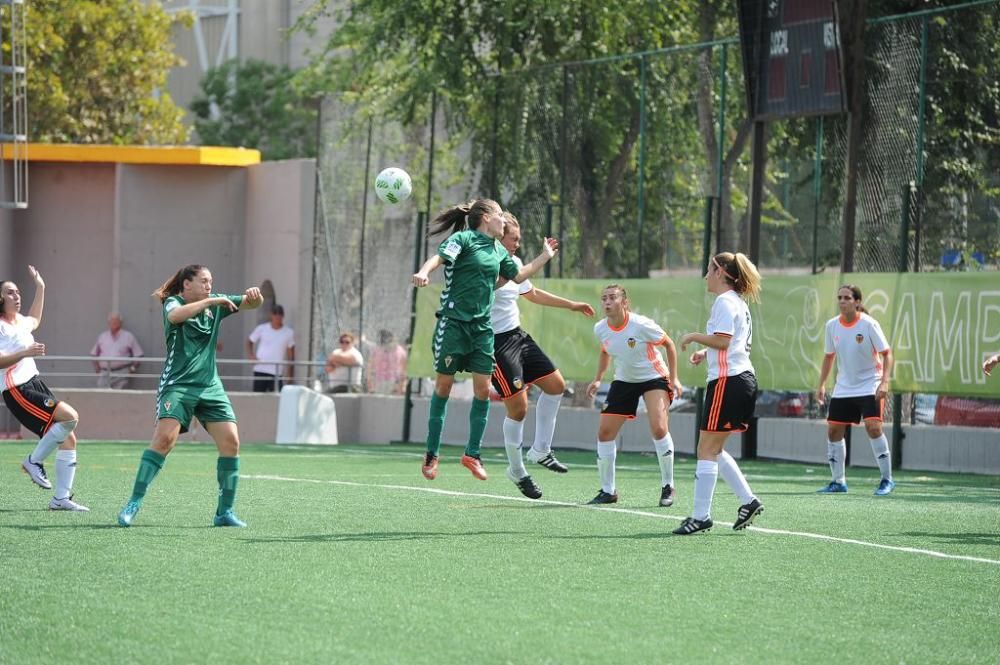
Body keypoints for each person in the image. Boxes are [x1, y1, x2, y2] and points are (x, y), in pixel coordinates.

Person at [412, 198, 557, 481]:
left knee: (482, 389)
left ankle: (472, 453)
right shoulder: (464, 238)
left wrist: (545, 256)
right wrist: (424, 272)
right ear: (487, 218)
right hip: (454, 325)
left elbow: (519, 276)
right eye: (500, 215)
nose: (504, 220)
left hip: (481, 329)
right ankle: (431, 453)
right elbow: (438, 258)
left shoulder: (497, 251)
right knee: (444, 385)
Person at [117, 264, 263, 527]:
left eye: (211, 282)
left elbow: (252, 304)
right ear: (187, 284)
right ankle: (133, 503)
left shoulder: (215, 303)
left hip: (210, 385)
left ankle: (224, 513)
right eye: (204, 281)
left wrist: (256, 297)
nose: (209, 286)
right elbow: (175, 317)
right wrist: (213, 300)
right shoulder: (174, 302)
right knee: (164, 441)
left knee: (231, 442)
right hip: (179, 384)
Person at [494, 212, 594, 499]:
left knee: (556, 386)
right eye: (514, 239)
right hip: (494, 344)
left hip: (517, 336)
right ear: (499, 236)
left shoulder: (512, 262)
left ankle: (540, 450)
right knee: (519, 409)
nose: (517, 244)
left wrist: (572, 305)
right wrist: (544, 256)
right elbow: (513, 277)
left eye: (519, 240)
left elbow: (531, 292)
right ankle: (516, 469)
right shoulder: (487, 263)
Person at [673, 252, 764, 535]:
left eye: (709, 270)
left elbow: (723, 342)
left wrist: (693, 337)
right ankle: (748, 501)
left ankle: (701, 516)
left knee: (706, 450)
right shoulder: (736, 302)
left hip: (729, 381)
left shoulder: (725, 302)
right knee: (714, 449)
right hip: (740, 379)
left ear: (721, 272)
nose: (705, 276)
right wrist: (705, 351)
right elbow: (730, 342)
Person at [584, 284, 682, 506]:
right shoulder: (601, 328)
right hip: (624, 380)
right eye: (604, 299)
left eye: (612, 298)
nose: (607, 302)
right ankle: (608, 491)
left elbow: (669, 344)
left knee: (658, 428)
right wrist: (598, 378)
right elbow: (604, 351)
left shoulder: (641, 325)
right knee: (604, 433)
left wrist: (674, 378)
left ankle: (668, 486)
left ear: (624, 303)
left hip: (654, 377)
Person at [0, 266, 88, 511]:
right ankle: (33, 461)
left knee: (69, 438)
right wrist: (24, 353)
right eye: (10, 292)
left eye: (18, 292)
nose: (16, 295)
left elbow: (36, 319)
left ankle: (60, 499)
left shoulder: (20, 322)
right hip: (17, 390)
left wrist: (41, 287)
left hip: (35, 383)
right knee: (70, 417)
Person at [815, 284, 896, 496]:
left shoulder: (869, 324)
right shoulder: (832, 326)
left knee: (873, 427)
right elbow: (829, 357)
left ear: (857, 302)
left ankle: (887, 480)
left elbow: (887, 354)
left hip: (870, 383)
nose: (842, 301)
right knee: (833, 431)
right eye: (840, 297)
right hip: (844, 387)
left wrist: (884, 382)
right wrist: (822, 384)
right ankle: (838, 481)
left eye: (847, 298)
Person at [246, 304, 295, 392]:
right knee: (257, 399)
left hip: (276, 372)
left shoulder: (288, 333)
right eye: (275, 313)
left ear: (283, 316)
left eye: (280, 313)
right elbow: (250, 341)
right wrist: (251, 355)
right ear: (271, 315)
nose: (277, 315)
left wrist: (290, 375)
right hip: (260, 369)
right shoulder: (261, 328)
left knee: (277, 400)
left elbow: (291, 356)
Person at [91, 312, 145, 389]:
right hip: (105, 373)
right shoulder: (103, 336)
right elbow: (94, 353)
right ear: (108, 323)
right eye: (112, 321)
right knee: (102, 396)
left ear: (121, 323)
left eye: (116, 321)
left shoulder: (128, 336)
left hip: (122, 373)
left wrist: (132, 369)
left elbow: (139, 355)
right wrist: (97, 367)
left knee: (120, 397)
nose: (114, 323)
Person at [368, 329, 408, 395]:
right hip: (379, 382)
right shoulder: (376, 350)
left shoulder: (400, 351)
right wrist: (371, 386)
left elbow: (404, 370)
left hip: (395, 383)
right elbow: (370, 368)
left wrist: (403, 386)